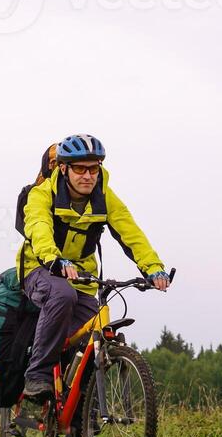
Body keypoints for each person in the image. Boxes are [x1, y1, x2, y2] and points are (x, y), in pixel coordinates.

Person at [16, 134, 171, 402]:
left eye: (94, 168)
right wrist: (54, 259)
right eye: (80, 168)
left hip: (83, 277)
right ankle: (37, 375)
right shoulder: (42, 195)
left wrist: (153, 268)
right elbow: (38, 228)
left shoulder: (104, 196)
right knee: (62, 296)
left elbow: (130, 231)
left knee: (93, 325)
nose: (88, 175)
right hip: (40, 269)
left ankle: (80, 413)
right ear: (63, 169)